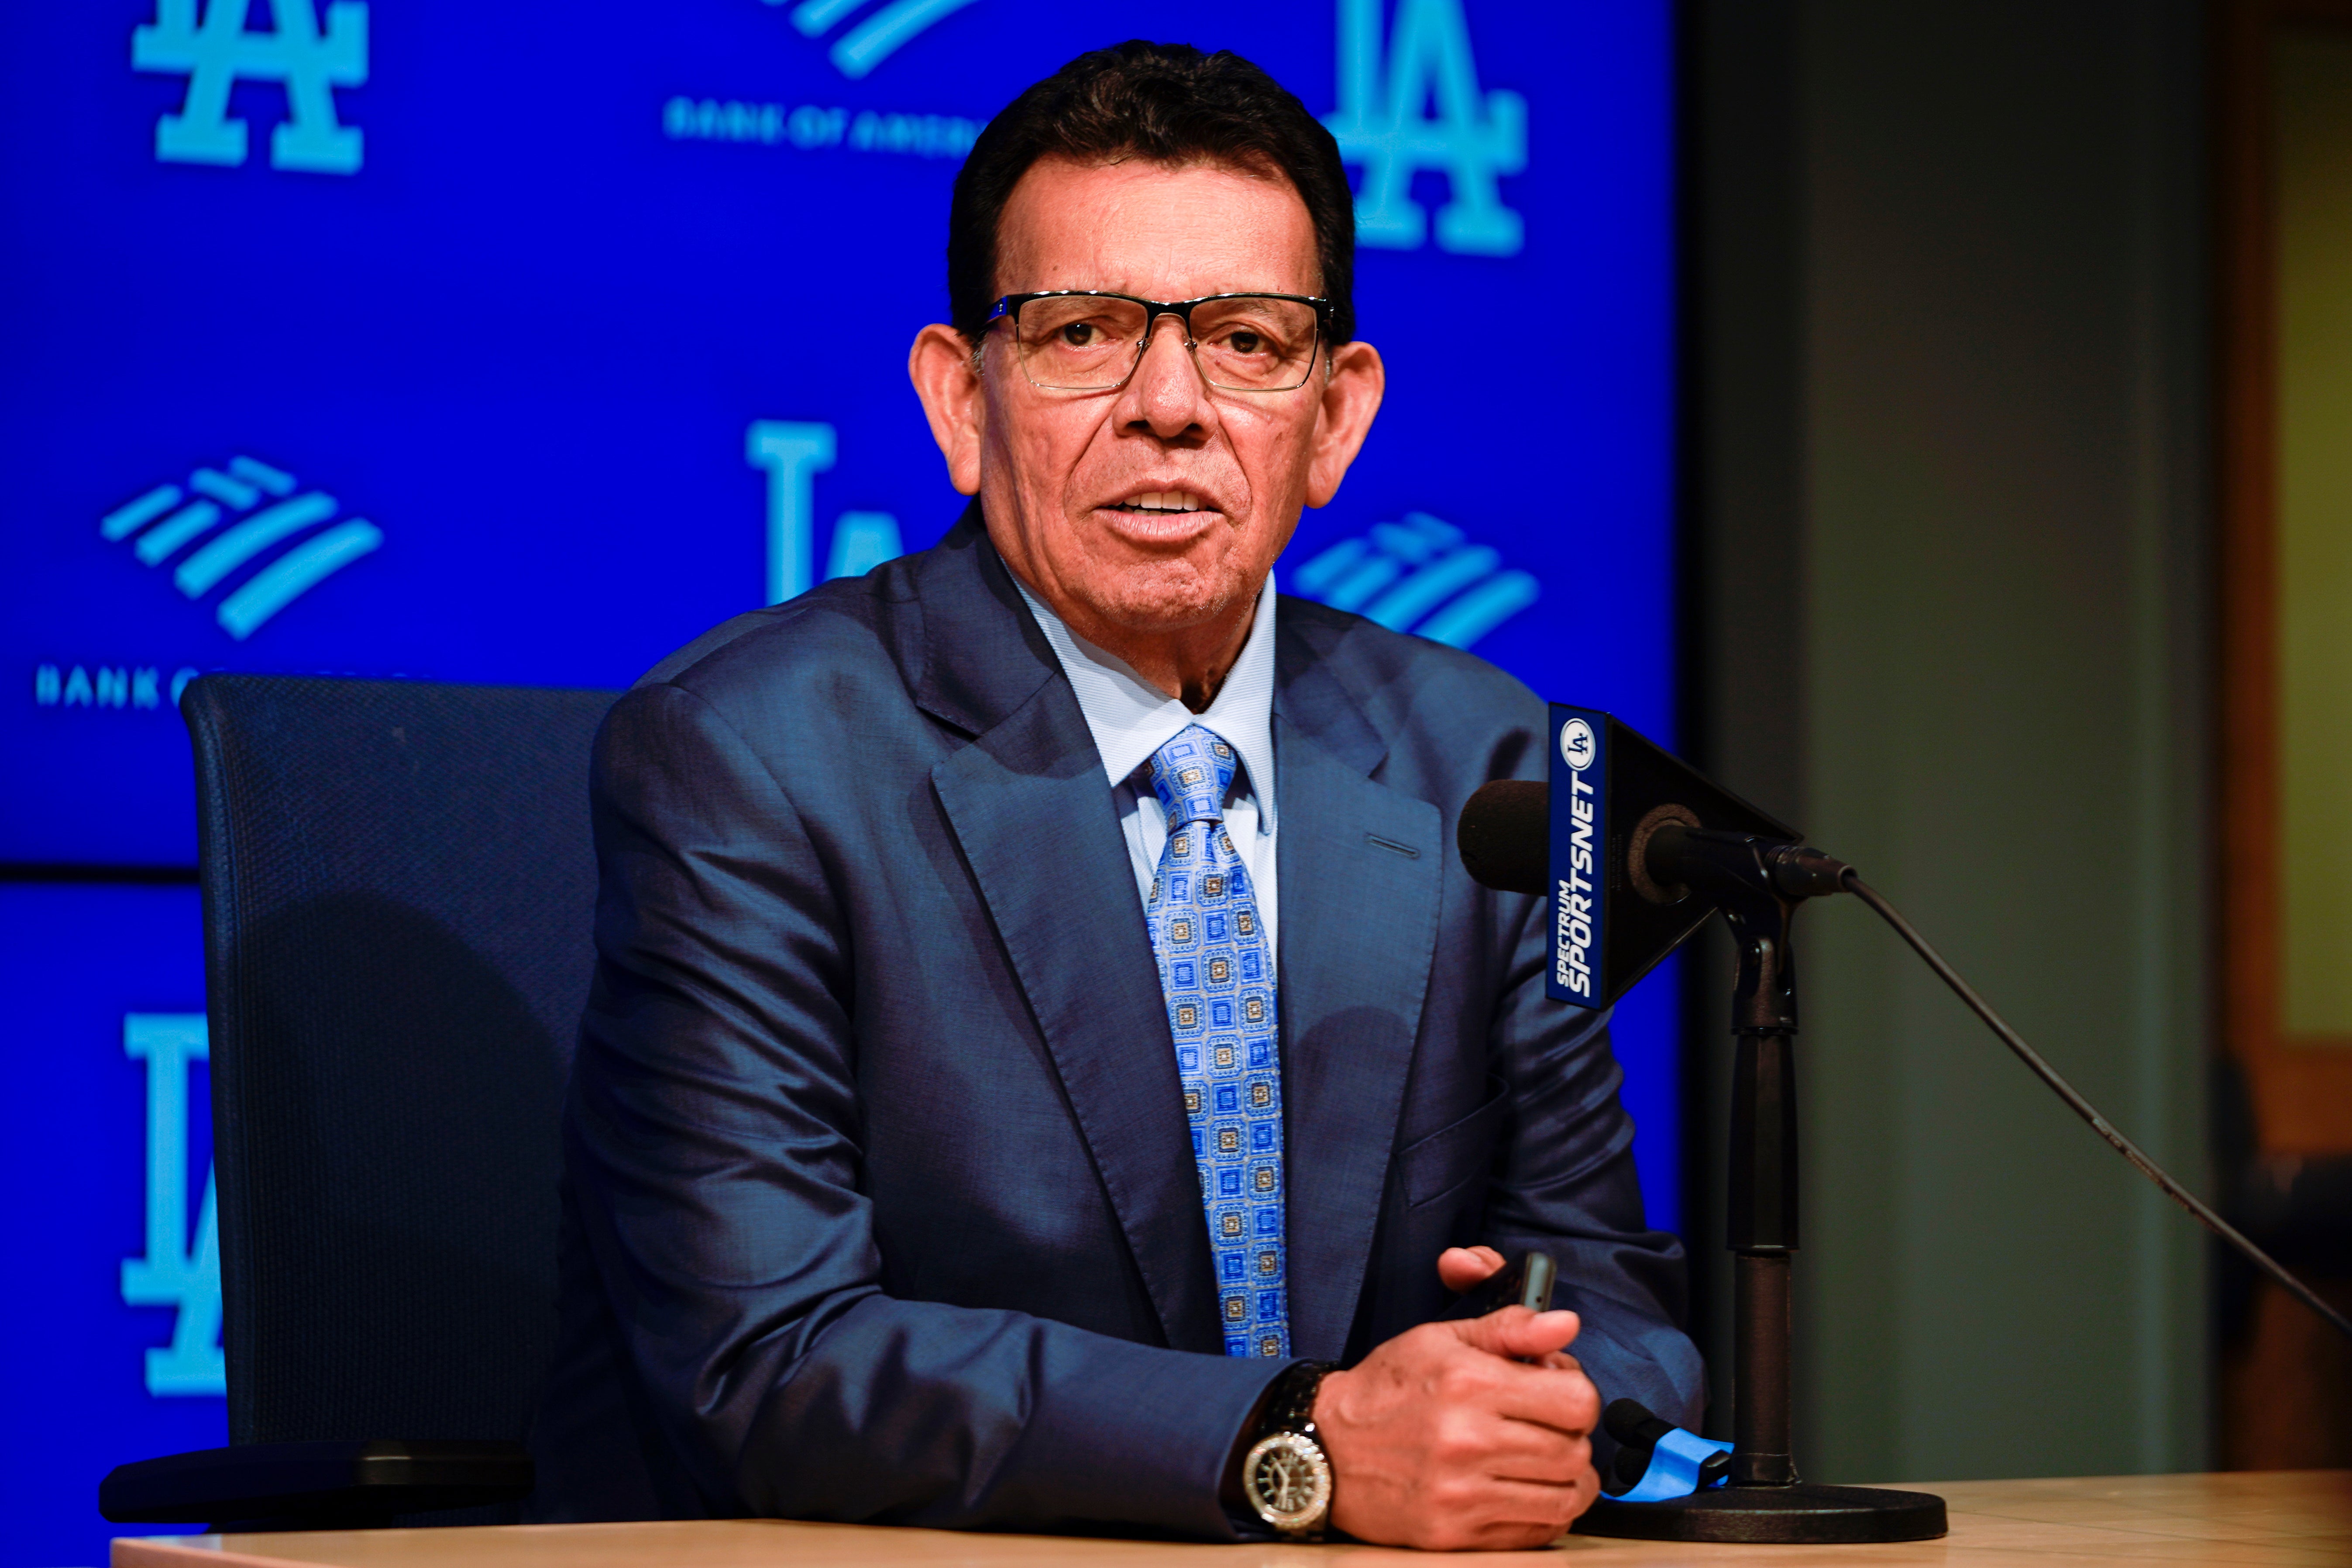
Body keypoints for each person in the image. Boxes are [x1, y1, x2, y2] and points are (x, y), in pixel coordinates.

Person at [530, 40, 1701, 1551]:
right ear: (963, 399)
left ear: (1333, 418)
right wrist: (1308, 1443)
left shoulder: (1478, 759)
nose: (1169, 405)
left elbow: (1607, 1291)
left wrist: (1534, 1405)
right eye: (1083, 332)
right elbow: (771, 1363)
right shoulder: (753, 756)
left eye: (1245, 340)